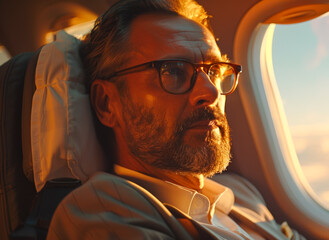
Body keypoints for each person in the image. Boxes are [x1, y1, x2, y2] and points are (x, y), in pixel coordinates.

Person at [46, 0, 305, 239]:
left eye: (215, 71)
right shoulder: (101, 211)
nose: (212, 92)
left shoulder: (242, 194)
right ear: (107, 103)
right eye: (173, 71)